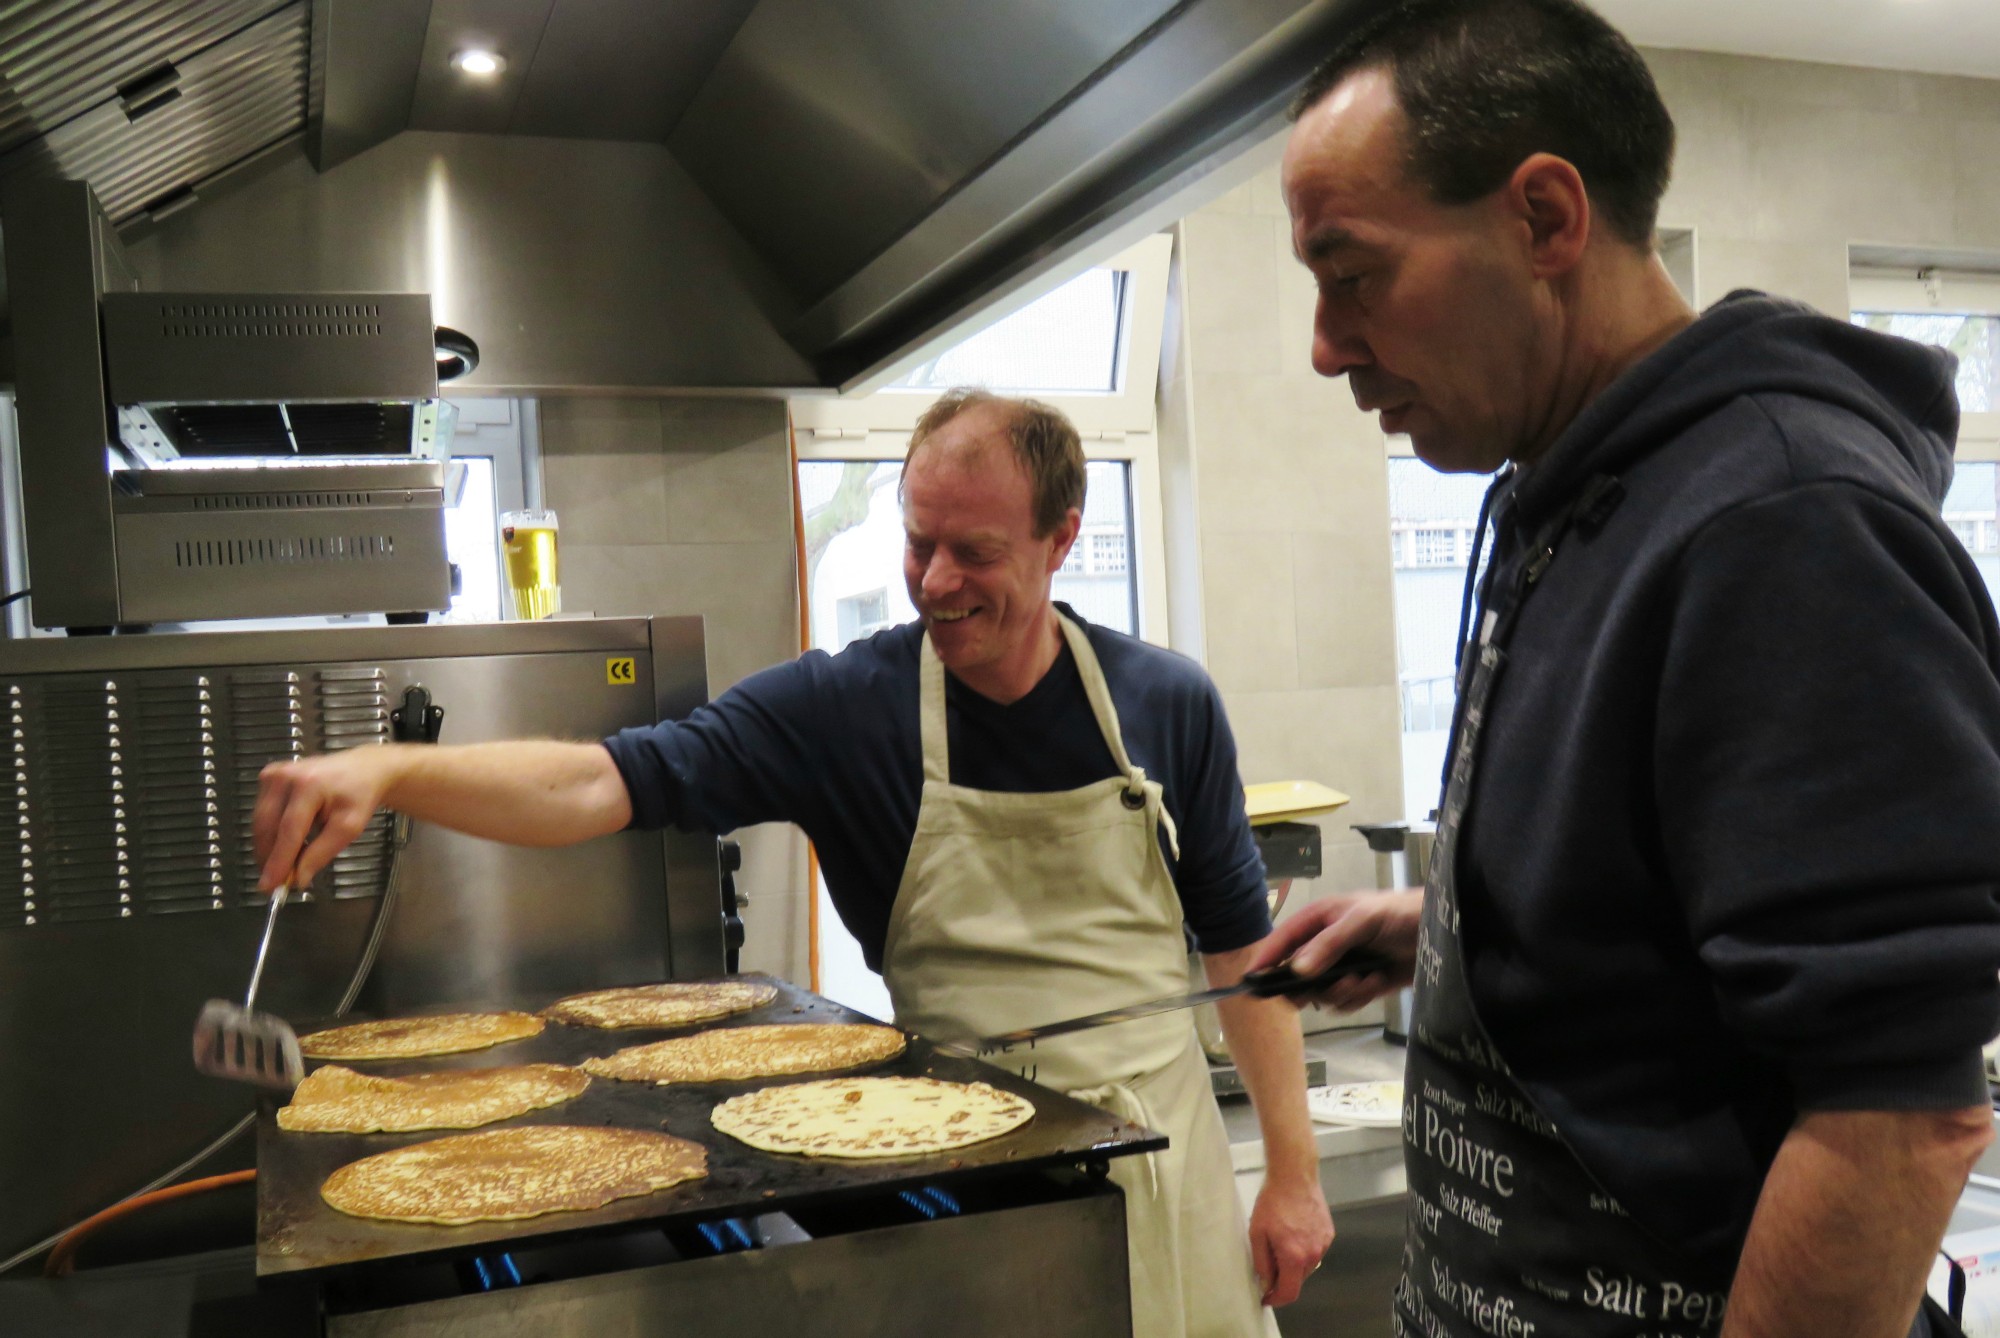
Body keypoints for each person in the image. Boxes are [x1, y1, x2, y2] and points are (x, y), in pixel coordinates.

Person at [254, 389, 1332, 1337]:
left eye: (976, 552)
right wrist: (390, 773)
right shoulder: (841, 710)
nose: (936, 581)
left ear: (1060, 540)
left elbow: (1246, 953)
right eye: (918, 543)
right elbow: (598, 784)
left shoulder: (1164, 700)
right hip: (961, 1164)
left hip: (1169, 1151)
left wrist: (1290, 1175)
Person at [1254, 2, 2000, 1335]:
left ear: (1544, 220)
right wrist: (1456, 933)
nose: (1325, 343)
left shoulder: (1783, 521)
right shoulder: (1562, 486)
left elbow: (1901, 1110)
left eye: (1351, 273)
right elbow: (1684, 904)